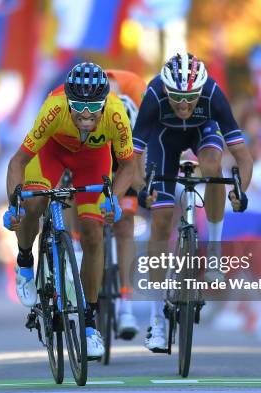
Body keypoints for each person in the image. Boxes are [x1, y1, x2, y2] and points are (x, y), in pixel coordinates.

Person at [3, 62, 135, 359]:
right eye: (78, 106)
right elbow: (18, 162)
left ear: (104, 103)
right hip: (52, 151)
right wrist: (15, 203)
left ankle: (89, 326)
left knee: (93, 233)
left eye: (93, 107)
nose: (86, 114)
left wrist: (113, 199)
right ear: (68, 102)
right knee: (33, 202)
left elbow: (129, 166)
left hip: (93, 161)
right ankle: (25, 262)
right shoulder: (54, 108)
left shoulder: (116, 114)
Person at [133, 52, 254, 352]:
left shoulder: (213, 93)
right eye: (176, 98)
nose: (184, 105)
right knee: (160, 223)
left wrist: (240, 191)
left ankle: (213, 250)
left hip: (204, 132)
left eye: (190, 99)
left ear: (201, 90)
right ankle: (157, 320)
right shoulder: (153, 95)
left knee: (213, 167)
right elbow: (132, 158)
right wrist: (140, 189)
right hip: (164, 142)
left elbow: (243, 157)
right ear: (165, 91)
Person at [104, 69, 148, 340]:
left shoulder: (137, 90)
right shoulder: (82, 99)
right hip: (91, 152)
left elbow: (140, 161)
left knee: (125, 224)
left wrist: (147, 189)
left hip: (128, 153)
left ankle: (125, 305)